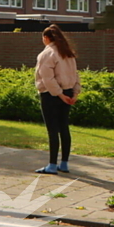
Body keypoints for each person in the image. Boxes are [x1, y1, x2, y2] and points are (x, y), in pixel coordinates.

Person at [35, 25, 81, 175]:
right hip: (68, 92)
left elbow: (47, 78)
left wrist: (59, 94)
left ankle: (52, 165)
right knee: (64, 127)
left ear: (46, 38)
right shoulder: (68, 54)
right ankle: (64, 163)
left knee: (52, 129)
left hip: (51, 94)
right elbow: (76, 76)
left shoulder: (47, 54)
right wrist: (74, 94)